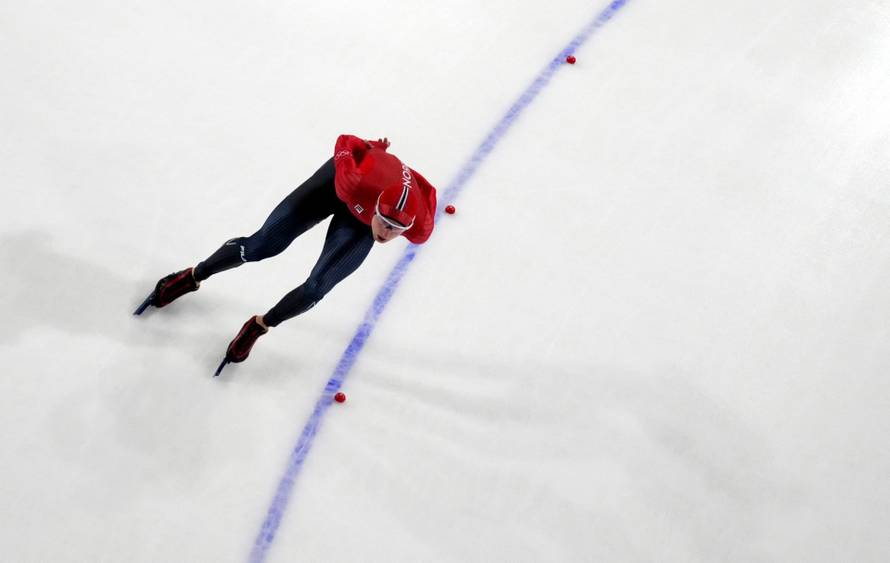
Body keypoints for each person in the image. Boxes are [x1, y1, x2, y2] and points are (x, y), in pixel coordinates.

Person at [136, 134, 437, 375]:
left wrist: (383, 160)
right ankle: (193, 275)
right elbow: (346, 141)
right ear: (378, 209)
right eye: (384, 223)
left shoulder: (420, 228)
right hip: (346, 184)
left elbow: (428, 190)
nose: (385, 234)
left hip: (367, 204)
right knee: (263, 244)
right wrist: (367, 150)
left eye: (395, 230)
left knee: (317, 288)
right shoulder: (353, 182)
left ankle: (259, 325)